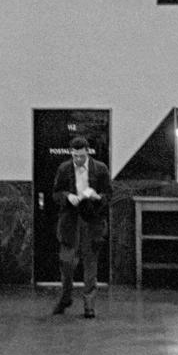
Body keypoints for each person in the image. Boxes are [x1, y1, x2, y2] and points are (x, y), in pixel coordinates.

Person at [51, 136, 112, 318]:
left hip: (92, 220)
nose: (78, 160)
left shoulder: (100, 169)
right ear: (72, 153)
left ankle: (89, 305)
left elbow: (109, 194)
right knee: (67, 261)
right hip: (70, 219)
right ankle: (66, 296)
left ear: (87, 151)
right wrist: (67, 196)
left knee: (90, 262)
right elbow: (55, 193)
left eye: (81, 156)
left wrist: (97, 196)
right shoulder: (64, 168)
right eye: (75, 156)